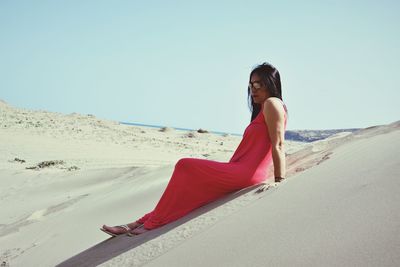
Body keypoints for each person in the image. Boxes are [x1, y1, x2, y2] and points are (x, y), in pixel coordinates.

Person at [101, 62, 288, 236]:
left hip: (245, 174)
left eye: (259, 85)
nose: (253, 89)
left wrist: (280, 181)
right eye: (251, 85)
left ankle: (153, 223)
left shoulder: (272, 104)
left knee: (184, 165)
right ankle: (137, 223)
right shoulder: (265, 107)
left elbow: (278, 143)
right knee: (187, 191)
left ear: (271, 84)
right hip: (239, 170)